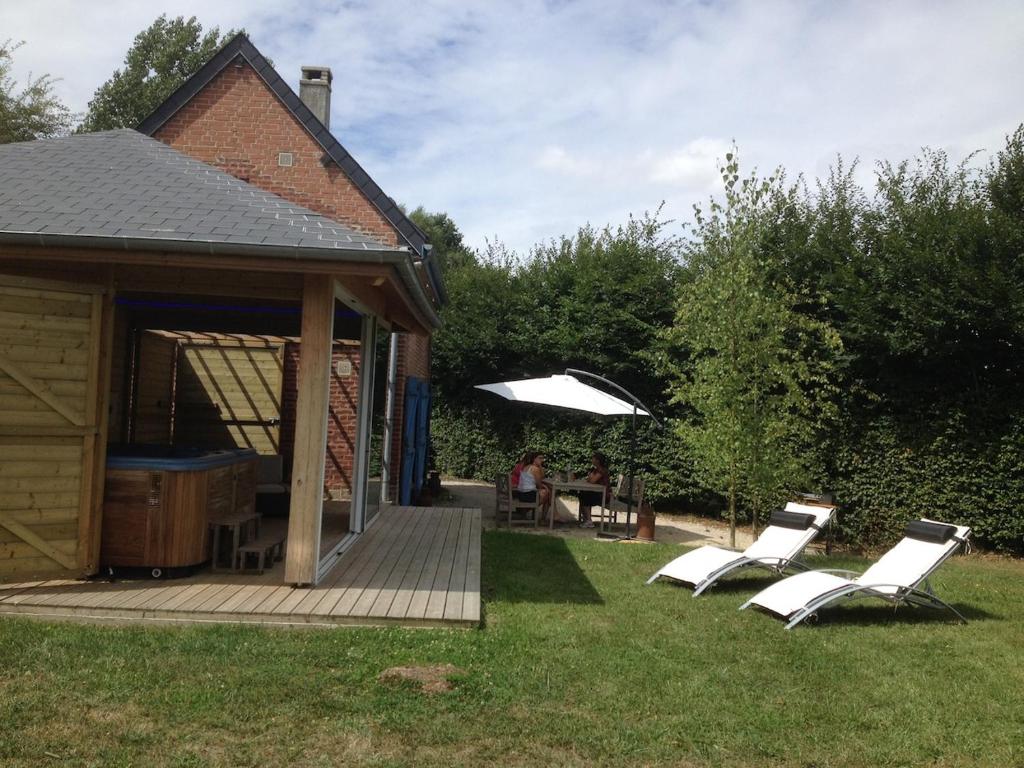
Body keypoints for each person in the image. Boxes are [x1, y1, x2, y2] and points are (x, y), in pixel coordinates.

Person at [578, 451, 611, 528]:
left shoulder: (601, 470)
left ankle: (588, 521)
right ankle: (587, 519)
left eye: (593, 458)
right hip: (599, 494)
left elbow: (592, 480)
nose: (591, 460)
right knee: (582, 494)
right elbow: (589, 479)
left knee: (583, 495)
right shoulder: (596, 470)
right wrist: (590, 476)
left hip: (604, 497)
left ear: (597, 461)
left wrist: (590, 477)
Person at [515, 451, 551, 518]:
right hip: (527, 495)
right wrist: (544, 487)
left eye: (542, 458)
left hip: (520, 494)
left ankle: (523, 511)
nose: (542, 460)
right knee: (547, 493)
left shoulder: (527, 466)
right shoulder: (535, 469)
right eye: (539, 458)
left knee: (548, 493)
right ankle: (542, 518)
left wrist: (540, 465)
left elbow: (542, 476)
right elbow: (539, 485)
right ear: (534, 459)